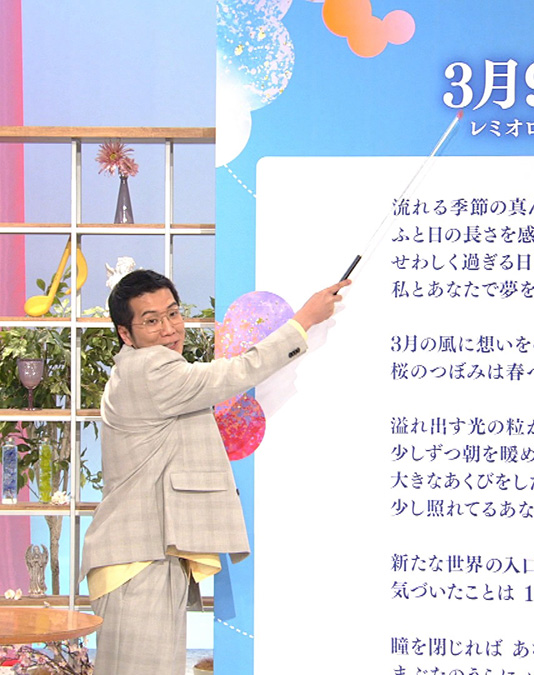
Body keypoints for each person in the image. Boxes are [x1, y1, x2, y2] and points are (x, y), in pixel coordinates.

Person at [81, 269, 350, 674]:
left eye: (173, 314)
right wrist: (305, 320)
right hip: (137, 561)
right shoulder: (149, 369)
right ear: (125, 333)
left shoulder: (142, 369)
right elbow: (236, 372)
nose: (169, 329)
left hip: (146, 557)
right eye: (151, 321)